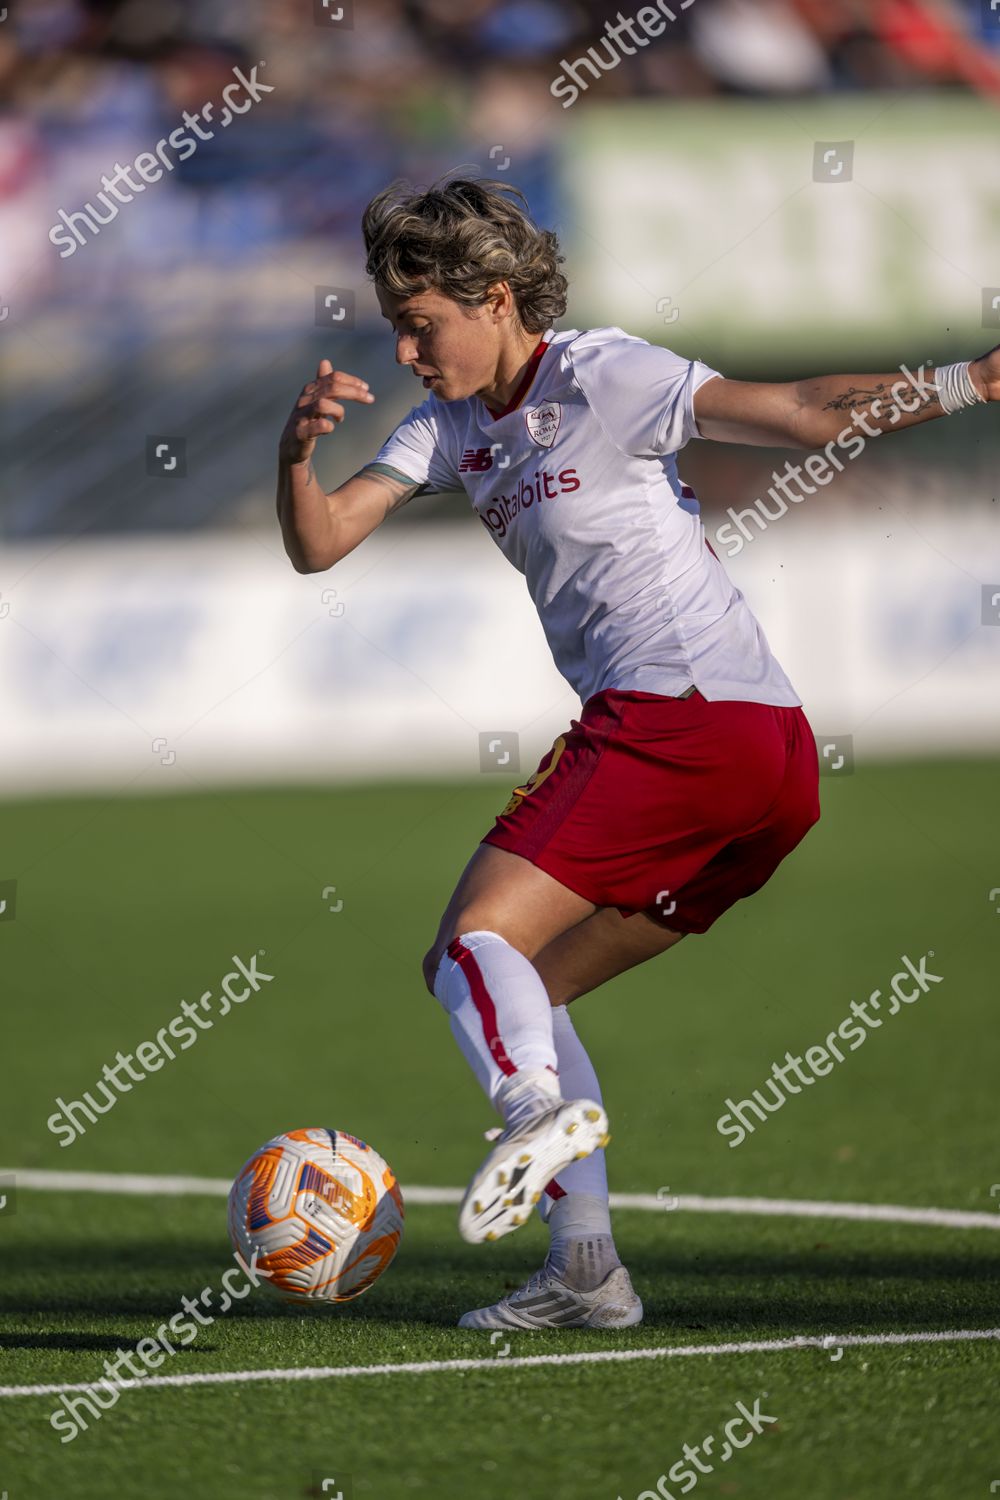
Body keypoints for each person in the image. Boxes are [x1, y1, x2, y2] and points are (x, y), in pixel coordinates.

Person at [276, 176, 995, 1331]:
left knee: (471, 945)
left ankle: (526, 1116)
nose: (407, 348)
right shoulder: (448, 428)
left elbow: (807, 410)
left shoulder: (602, 373)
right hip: (761, 760)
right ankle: (586, 1269)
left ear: (497, 298)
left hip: (681, 719)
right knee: (524, 991)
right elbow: (320, 543)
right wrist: (293, 456)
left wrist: (975, 377)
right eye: (394, 326)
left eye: (423, 322)